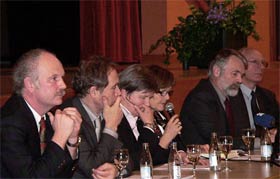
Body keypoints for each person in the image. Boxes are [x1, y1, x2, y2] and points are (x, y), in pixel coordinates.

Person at [0, 48, 82, 178]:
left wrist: (71, 141)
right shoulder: (8, 123)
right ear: (30, 84)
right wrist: (60, 137)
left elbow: (59, 175)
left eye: (62, 78)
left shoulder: (47, 117)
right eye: (54, 78)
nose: (63, 85)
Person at [59, 57, 131, 179]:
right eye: (114, 88)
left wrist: (117, 170)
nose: (119, 93)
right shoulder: (70, 116)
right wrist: (110, 128)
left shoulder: (107, 111)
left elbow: (127, 158)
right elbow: (92, 169)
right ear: (94, 92)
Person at [180, 48, 248, 148]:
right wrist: (252, 142)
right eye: (235, 74)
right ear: (217, 71)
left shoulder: (232, 97)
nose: (240, 80)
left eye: (242, 75)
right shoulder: (200, 98)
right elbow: (216, 139)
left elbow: (240, 131)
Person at [230, 48, 279, 152]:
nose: (261, 67)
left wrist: (276, 133)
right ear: (239, 65)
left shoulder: (267, 96)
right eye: (255, 62)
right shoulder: (229, 96)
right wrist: (259, 141)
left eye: (263, 63)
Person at [117, 64, 158, 170]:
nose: (147, 103)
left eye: (150, 97)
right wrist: (148, 126)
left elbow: (156, 155)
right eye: (143, 97)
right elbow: (138, 158)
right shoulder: (115, 119)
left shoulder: (140, 115)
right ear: (125, 93)